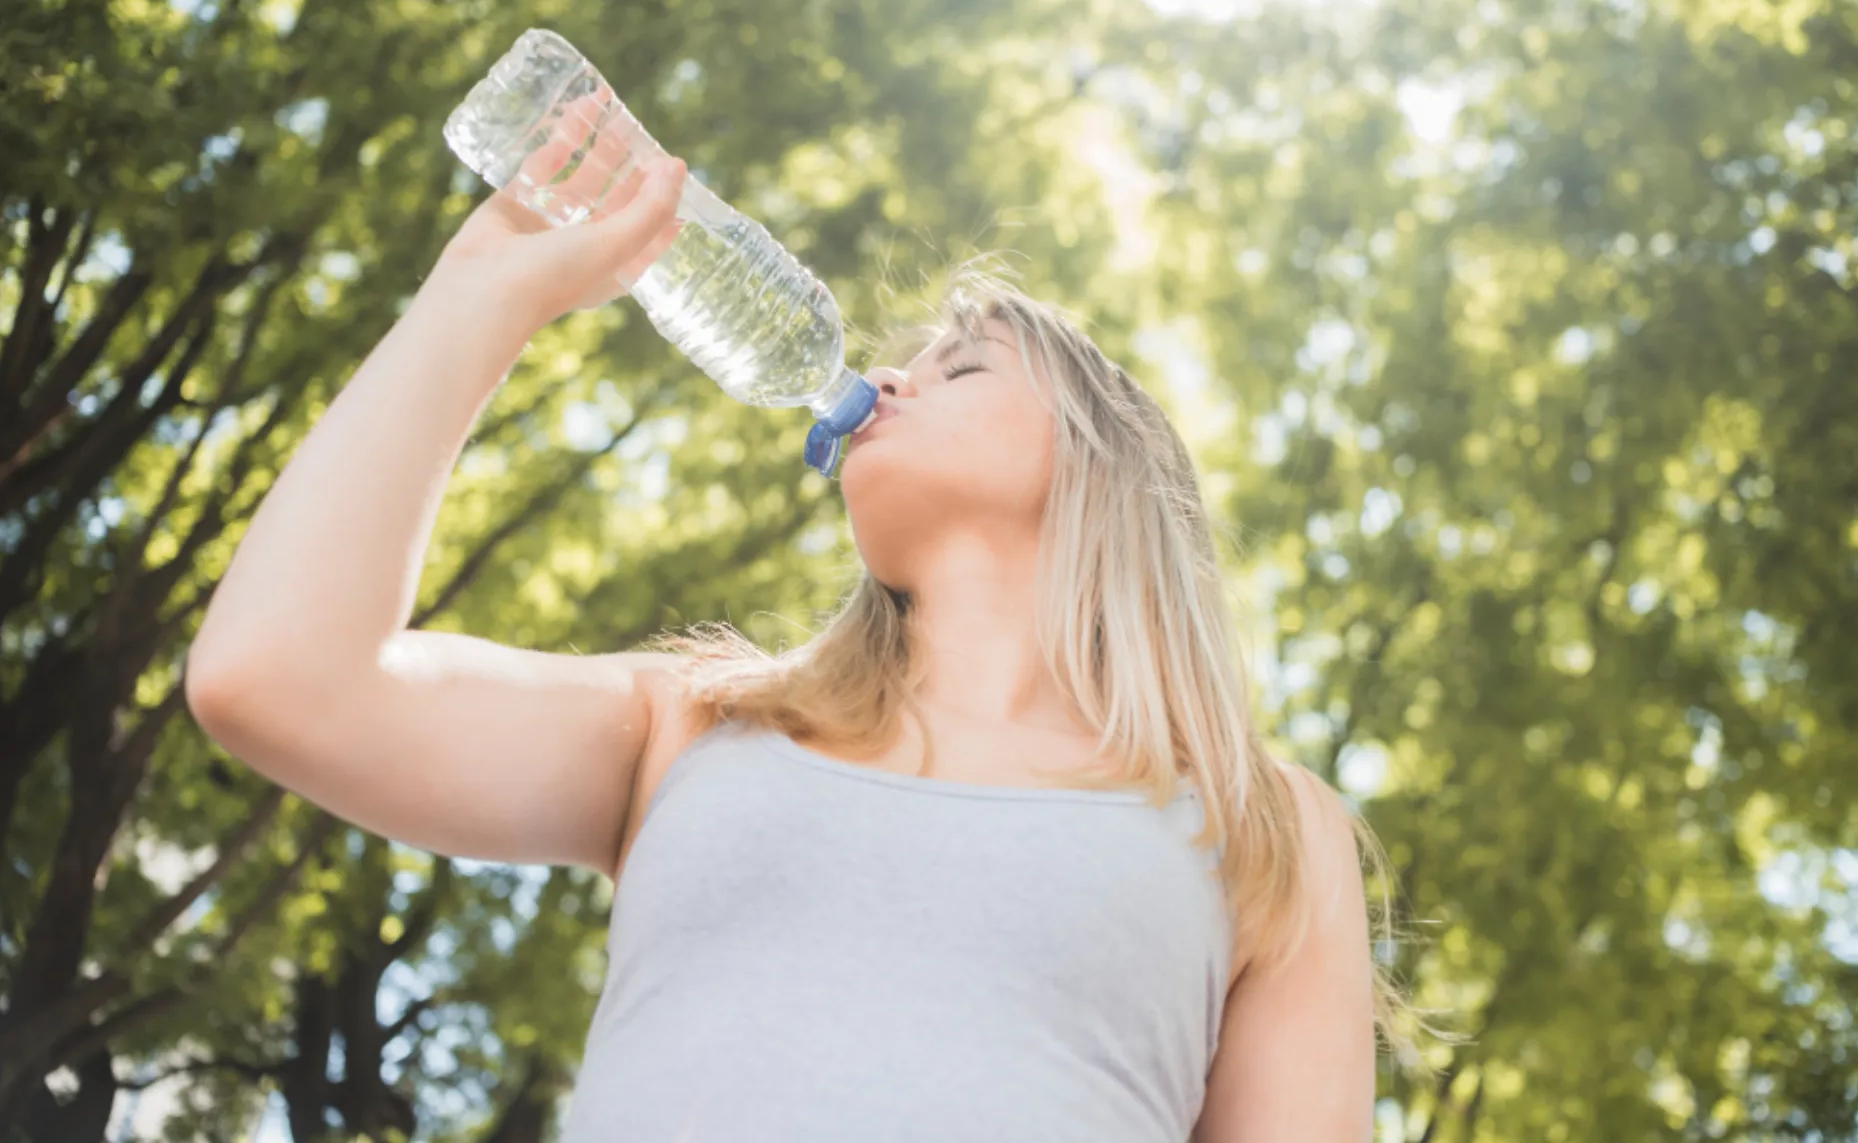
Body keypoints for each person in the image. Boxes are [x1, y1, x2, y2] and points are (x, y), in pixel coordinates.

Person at [186, 103, 1395, 1142]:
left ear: (1103, 471)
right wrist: (480, 294)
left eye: (962, 366)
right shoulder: (691, 724)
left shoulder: (1262, 825)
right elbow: (278, 676)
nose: (897, 377)